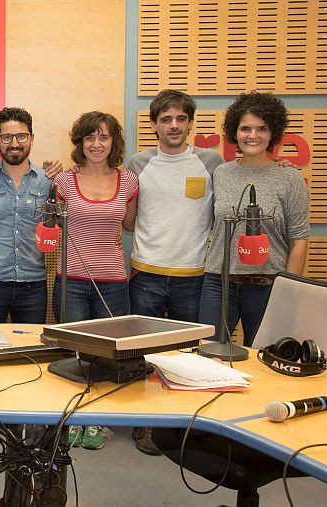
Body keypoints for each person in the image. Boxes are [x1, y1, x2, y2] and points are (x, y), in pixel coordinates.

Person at [125, 90, 224, 456]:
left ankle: (184, 424)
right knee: (144, 355)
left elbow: (223, 210)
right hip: (146, 273)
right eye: (166, 119)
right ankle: (146, 424)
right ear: (154, 125)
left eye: (181, 118)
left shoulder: (211, 161)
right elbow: (129, 220)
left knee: (188, 355)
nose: (174, 125)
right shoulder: (138, 163)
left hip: (194, 275)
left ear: (190, 123)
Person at [53, 112, 138, 451]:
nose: (97, 144)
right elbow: (54, 227)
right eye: (90, 137)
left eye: (104, 137)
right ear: (80, 143)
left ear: (113, 142)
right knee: (75, 352)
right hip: (71, 279)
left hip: (113, 281)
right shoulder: (63, 181)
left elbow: (129, 224)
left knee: (108, 354)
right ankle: (74, 417)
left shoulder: (129, 181)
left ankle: (97, 419)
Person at [198, 91, 309, 346]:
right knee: (208, 353)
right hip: (218, 282)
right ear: (234, 132)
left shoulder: (289, 178)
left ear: (273, 134)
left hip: (267, 285)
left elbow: (299, 239)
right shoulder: (220, 173)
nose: (253, 135)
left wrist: (287, 289)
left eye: (262, 128)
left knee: (263, 356)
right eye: (245, 128)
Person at [0, 107, 60, 324]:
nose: (14, 144)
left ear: (31, 138)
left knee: (30, 343)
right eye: (7, 137)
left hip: (33, 286)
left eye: (21, 136)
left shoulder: (48, 181)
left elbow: (60, 222)